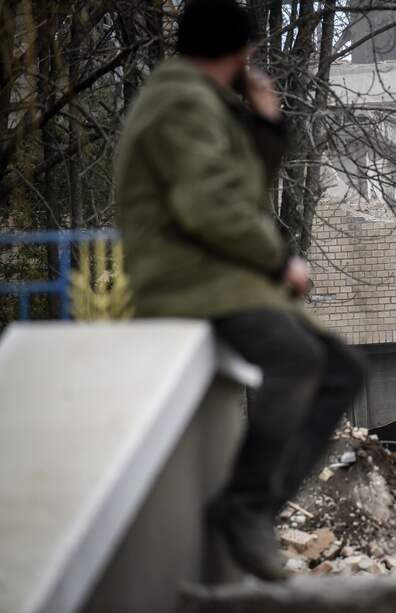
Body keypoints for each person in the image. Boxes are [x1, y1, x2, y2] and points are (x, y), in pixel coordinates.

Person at [113, 0, 364, 581]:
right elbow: (210, 205)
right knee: (299, 359)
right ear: (239, 52)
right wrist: (281, 260)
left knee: (342, 367)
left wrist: (266, 121)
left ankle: (250, 505)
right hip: (189, 280)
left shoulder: (199, 102)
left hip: (219, 276)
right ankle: (246, 507)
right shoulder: (181, 102)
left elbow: (243, 188)